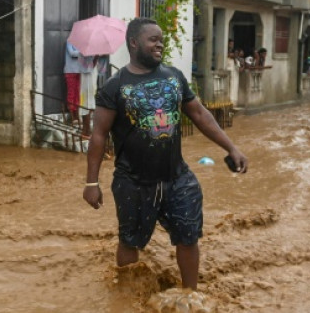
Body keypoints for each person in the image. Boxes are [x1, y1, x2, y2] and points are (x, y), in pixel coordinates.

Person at [83, 17, 248, 290]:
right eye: (153, 39)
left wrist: (231, 147)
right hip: (133, 182)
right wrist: (91, 183)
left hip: (177, 178)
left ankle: (190, 296)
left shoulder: (174, 77)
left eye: (161, 39)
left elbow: (199, 114)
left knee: (188, 236)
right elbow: (99, 135)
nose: (160, 44)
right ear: (134, 43)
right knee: (129, 241)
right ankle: (127, 300)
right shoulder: (115, 86)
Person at [64, 40, 92, 125]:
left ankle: (77, 115)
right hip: (70, 70)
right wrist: (83, 53)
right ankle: (72, 115)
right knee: (71, 93)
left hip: (80, 71)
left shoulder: (82, 43)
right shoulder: (70, 41)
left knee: (78, 93)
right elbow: (72, 53)